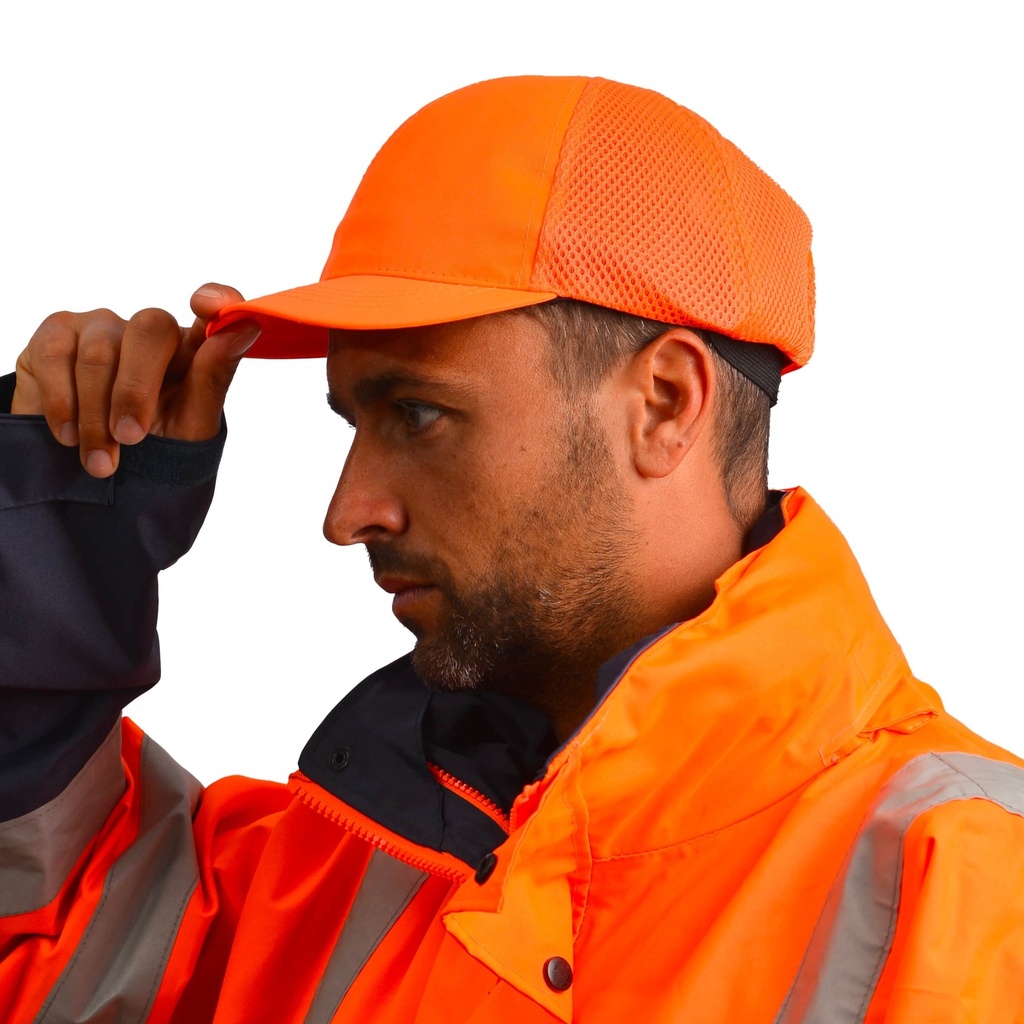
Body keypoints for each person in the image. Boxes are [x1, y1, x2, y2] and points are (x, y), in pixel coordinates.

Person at [2, 74, 1023, 1023]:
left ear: (665, 403)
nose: (347, 511)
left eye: (418, 414)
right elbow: (45, 956)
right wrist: (49, 569)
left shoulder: (969, 887)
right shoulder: (342, 861)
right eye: (351, 422)